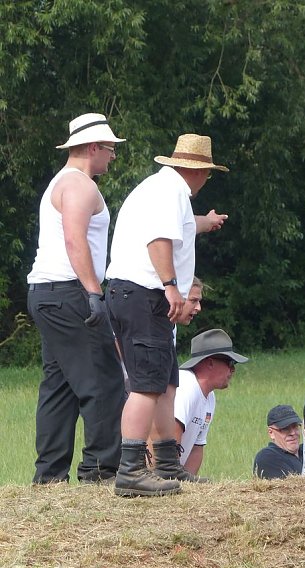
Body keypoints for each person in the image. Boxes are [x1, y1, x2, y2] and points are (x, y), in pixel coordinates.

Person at [106, 133, 229, 497]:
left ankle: (166, 463)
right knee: (145, 384)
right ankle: (130, 469)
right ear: (200, 171)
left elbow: (182, 225)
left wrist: (206, 221)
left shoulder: (161, 189)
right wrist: (171, 284)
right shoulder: (170, 192)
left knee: (166, 382)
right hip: (144, 293)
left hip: (135, 294)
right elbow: (160, 239)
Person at [26, 113, 127, 484]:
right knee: (103, 380)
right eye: (110, 148)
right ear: (93, 147)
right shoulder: (81, 185)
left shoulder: (61, 182)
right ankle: (100, 471)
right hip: (70, 290)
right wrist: (94, 293)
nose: (113, 155)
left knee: (60, 386)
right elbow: (74, 240)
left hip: (45, 292)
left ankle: (49, 476)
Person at [149, 328, 247, 482]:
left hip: (171, 474)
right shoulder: (186, 385)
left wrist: (189, 487)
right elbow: (170, 437)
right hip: (154, 474)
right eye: (230, 362)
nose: (233, 369)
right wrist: (170, 480)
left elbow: (196, 448)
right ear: (209, 363)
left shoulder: (209, 397)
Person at [253, 404, 305, 478]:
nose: (293, 433)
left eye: (295, 426)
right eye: (285, 428)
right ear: (271, 433)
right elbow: (295, 487)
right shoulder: (267, 457)